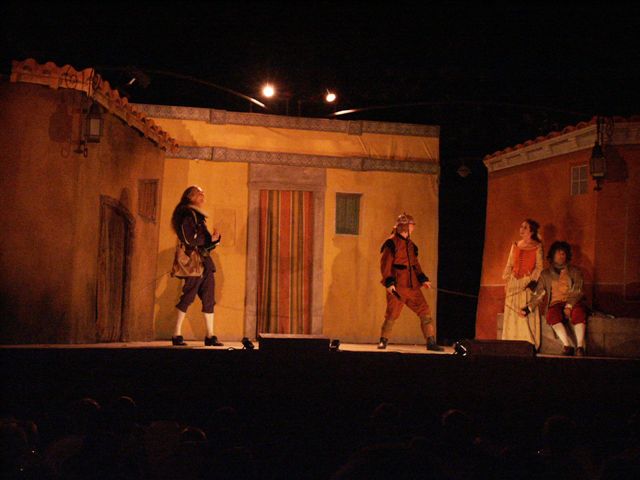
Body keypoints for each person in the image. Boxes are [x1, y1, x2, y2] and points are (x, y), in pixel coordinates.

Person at [377, 213, 443, 351]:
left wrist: (423, 279)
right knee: (392, 314)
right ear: (405, 226)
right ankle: (383, 340)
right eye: (411, 225)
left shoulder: (411, 245)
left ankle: (430, 341)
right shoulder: (391, 243)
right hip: (398, 286)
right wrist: (389, 283)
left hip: (412, 286)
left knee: (425, 311)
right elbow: (386, 264)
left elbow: (415, 265)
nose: (413, 228)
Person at [170, 185, 222, 347]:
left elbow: (204, 244)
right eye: (199, 194)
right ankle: (176, 334)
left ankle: (210, 335)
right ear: (190, 196)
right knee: (188, 296)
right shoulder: (186, 213)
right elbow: (190, 239)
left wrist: (214, 241)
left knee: (209, 299)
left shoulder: (197, 215)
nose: (202, 196)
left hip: (204, 263)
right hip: (194, 264)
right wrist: (208, 239)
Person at [521, 241, 588, 356]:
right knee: (551, 315)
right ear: (552, 255)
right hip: (556, 303)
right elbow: (539, 293)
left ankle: (580, 347)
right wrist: (528, 309)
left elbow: (577, 290)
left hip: (573, 302)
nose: (561, 255)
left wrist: (569, 306)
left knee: (579, 313)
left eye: (563, 253)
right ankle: (567, 346)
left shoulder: (575, 271)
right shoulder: (545, 274)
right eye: (558, 253)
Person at [501, 219, 544, 349]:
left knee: (523, 312)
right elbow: (510, 264)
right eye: (521, 226)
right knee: (512, 314)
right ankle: (510, 342)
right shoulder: (515, 245)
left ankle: (527, 344)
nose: (521, 229)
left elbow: (539, 267)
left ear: (531, 231)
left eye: (525, 227)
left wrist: (532, 282)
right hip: (514, 281)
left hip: (527, 282)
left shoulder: (537, 247)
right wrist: (507, 280)